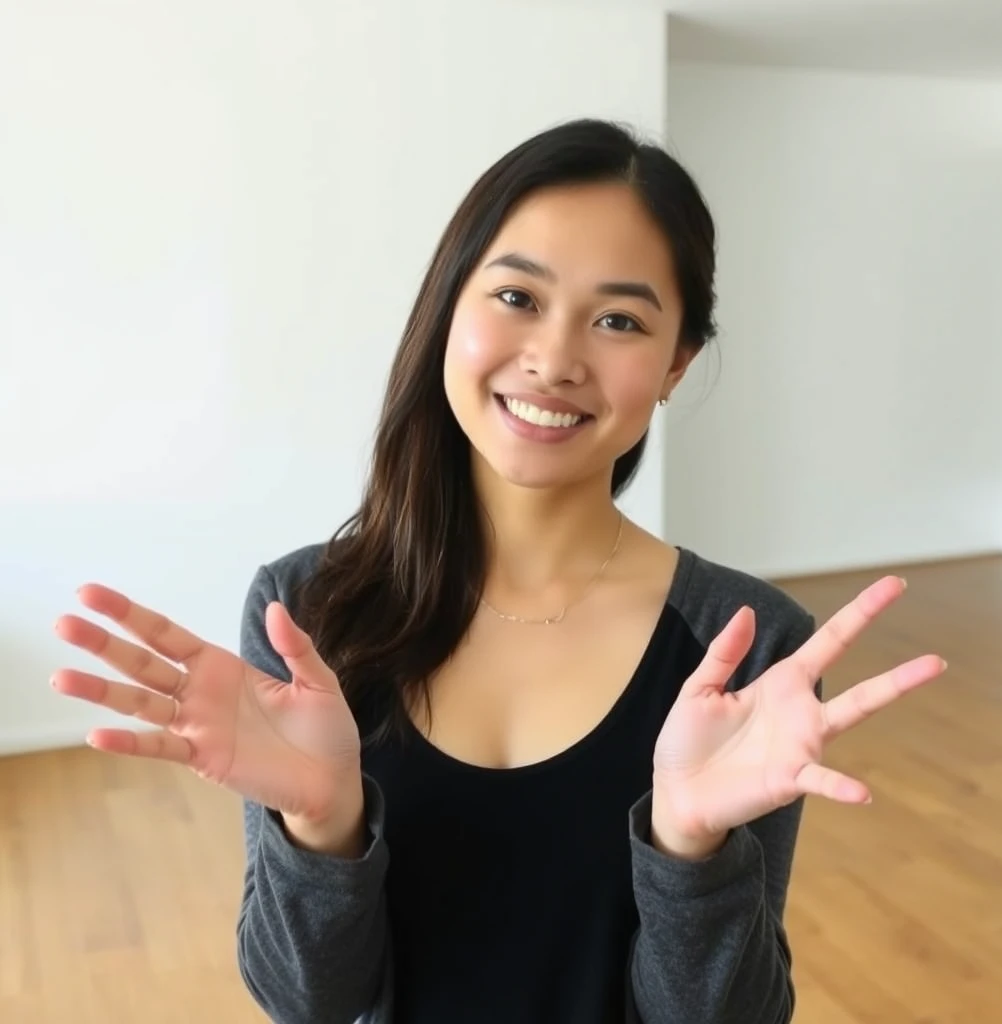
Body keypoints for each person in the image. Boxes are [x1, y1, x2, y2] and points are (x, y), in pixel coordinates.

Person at [52, 118, 945, 1024]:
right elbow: (306, 1002)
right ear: (450, 306)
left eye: (619, 320)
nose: (555, 360)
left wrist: (689, 852)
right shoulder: (306, 611)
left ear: (677, 363)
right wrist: (323, 830)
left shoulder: (744, 645)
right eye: (518, 296)